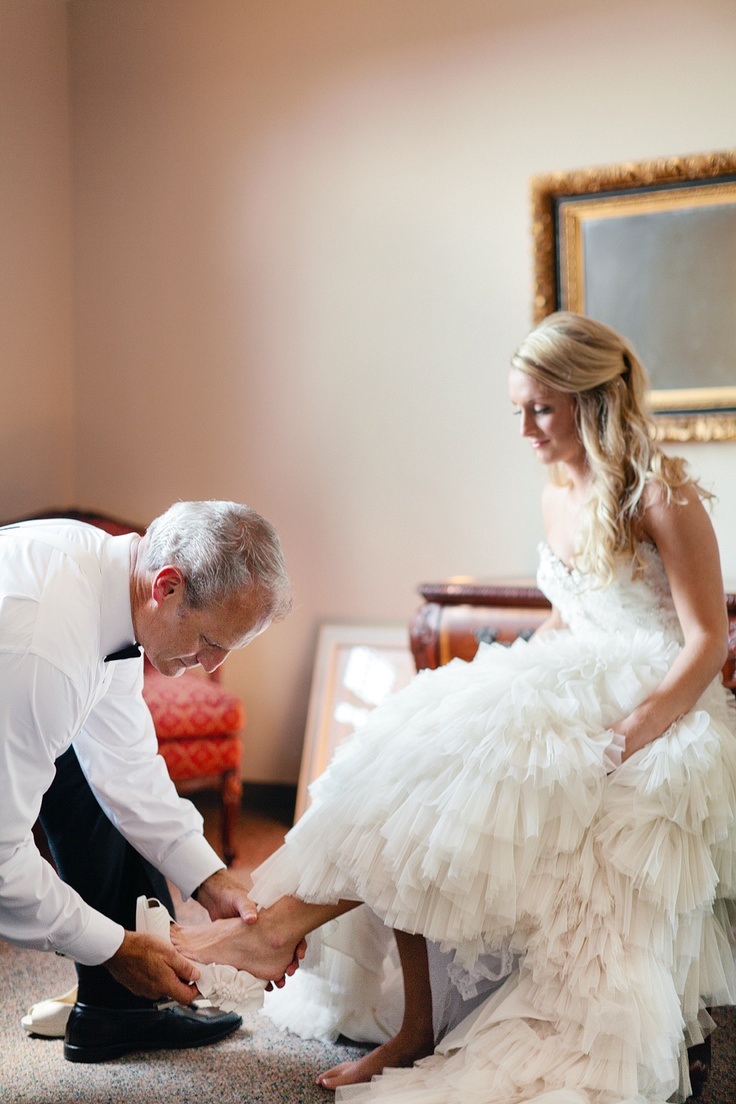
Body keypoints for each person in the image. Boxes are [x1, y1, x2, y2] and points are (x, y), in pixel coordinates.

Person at [173, 315, 736, 1104]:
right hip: (576, 675)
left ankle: (284, 936)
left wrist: (631, 733)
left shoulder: (661, 493)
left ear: (591, 399)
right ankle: (378, 997)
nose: (526, 427)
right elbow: (571, 615)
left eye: (541, 408)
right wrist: (497, 679)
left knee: (454, 770)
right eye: (518, 409)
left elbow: (708, 640)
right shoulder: (558, 492)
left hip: (653, 695)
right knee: (418, 749)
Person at [0, 500, 292, 1063]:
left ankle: (117, 1011)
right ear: (168, 587)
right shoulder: (46, 650)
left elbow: (125, 765)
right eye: (210, 641)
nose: (212, 666)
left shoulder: (109, 588)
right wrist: (112, 947)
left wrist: (210, 879)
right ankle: (121, 997)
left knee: (89, 774)